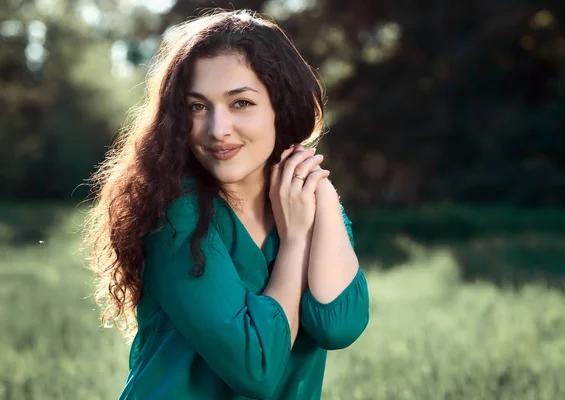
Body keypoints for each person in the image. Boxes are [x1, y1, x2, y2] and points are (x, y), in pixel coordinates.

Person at [83, 9, 369, 400]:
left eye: (241, 103)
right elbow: (257, 367)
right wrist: (297, 241)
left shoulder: (309, 199)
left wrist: (322, 196)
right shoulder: (173, 211)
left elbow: (339, 326)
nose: (217, 130)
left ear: (279, 108)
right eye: (197, 107)